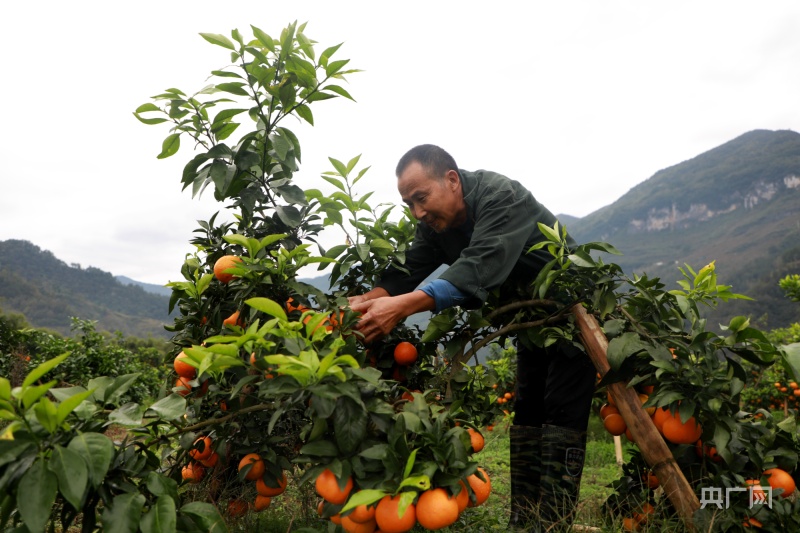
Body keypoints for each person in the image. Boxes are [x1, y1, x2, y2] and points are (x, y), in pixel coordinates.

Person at [349, 144, 596, 531]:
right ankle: (524, 520)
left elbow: (479, 264)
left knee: (562, 414)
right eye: (409, 203)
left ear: (451, 180)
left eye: (421, 198)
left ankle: (552, 524)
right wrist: (366, 301)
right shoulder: (434, 225)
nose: (418, 212)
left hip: (572, 314)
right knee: (529, 415)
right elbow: (406, 272)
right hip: (528, 322)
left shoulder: (501, 197)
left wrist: (401, 308)